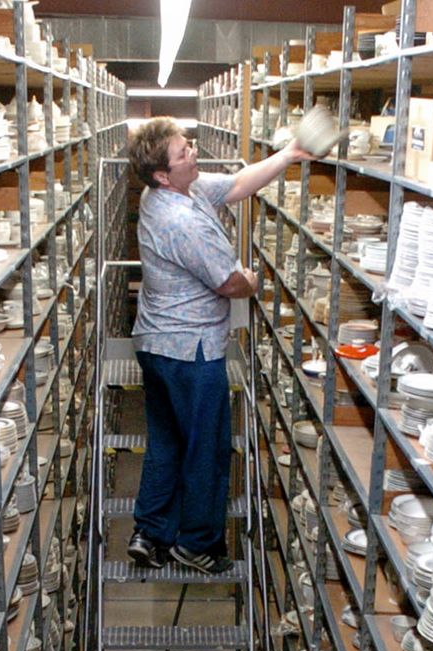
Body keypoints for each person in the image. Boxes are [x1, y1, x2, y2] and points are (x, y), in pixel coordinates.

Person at [124, 118, 317, 573]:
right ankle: (197, 543)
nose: (192, 151)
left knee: (168, 441)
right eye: (182, 151)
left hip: (157, 341)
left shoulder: (174, 192)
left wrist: (288, 154)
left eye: (187, 144)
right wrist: (252, 280)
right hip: (189, 350)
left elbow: (236, 184)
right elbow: (230, 284)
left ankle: (150, 533)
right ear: (162, 174)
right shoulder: (180, 220)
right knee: (207, 448)